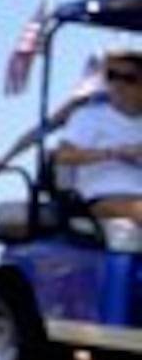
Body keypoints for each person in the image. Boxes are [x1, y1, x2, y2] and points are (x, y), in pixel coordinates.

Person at [51, 42, 142, 225]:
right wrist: (113, 153)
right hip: (106, 194)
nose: (118, 84)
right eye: (112, 76)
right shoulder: (89, 116)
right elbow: (63, 156)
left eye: (128, 78)